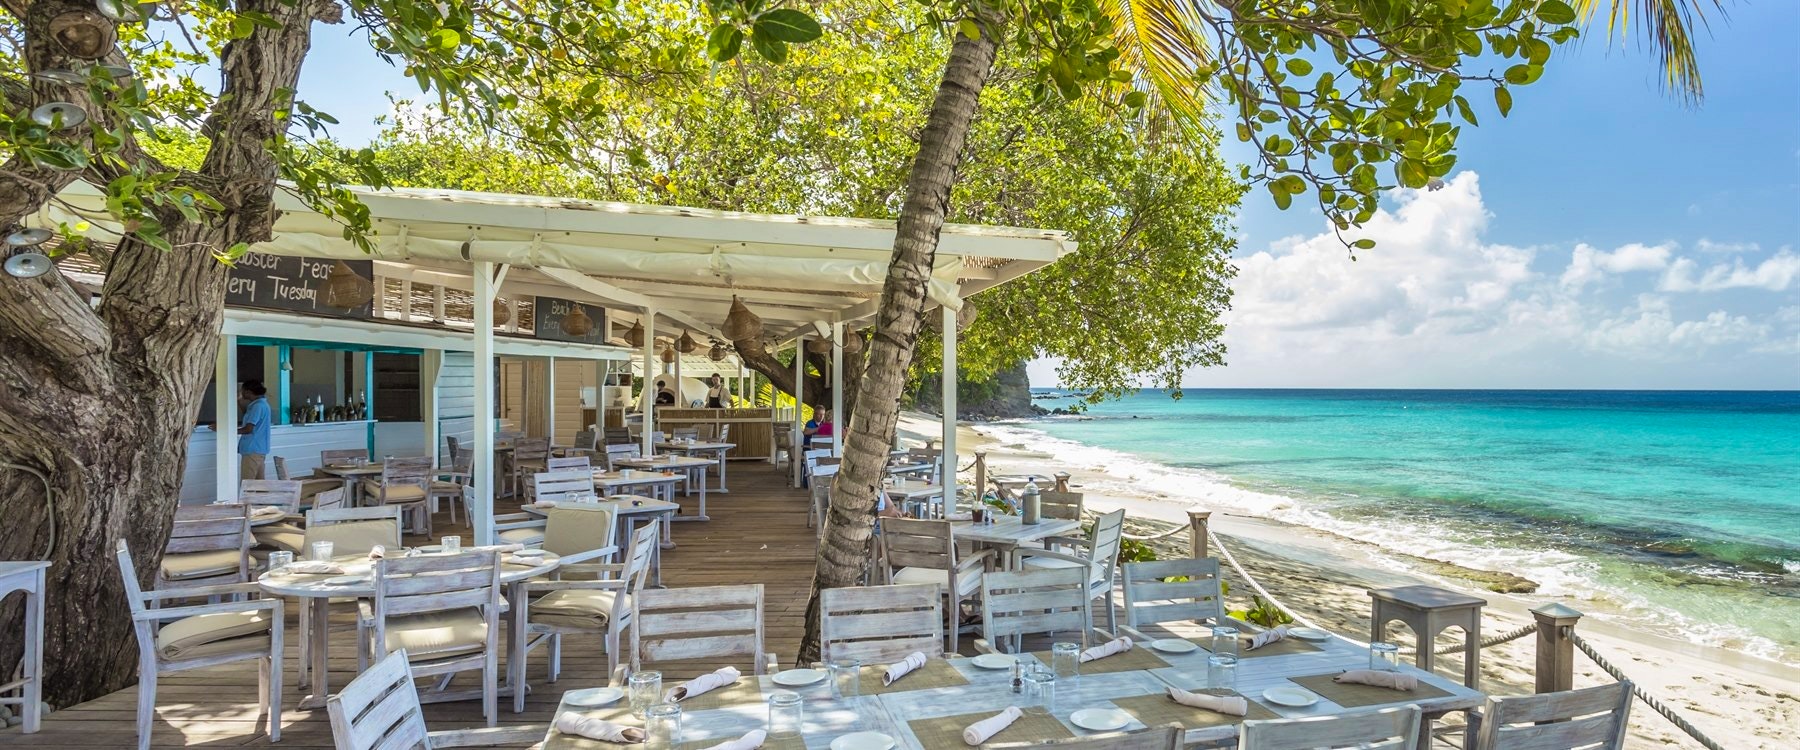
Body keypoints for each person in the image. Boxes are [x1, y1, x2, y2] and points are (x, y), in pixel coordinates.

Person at [238, 380, 272, 480]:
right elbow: (248, 414)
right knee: (259, 484)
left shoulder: (257, 406)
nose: (241, 392)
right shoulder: (261, 405)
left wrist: (227, 431)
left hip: (252, 449)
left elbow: (248, 429)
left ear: (248, 391)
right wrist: (239, 400)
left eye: (242, 390)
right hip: (259, 449)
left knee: (247, 484)